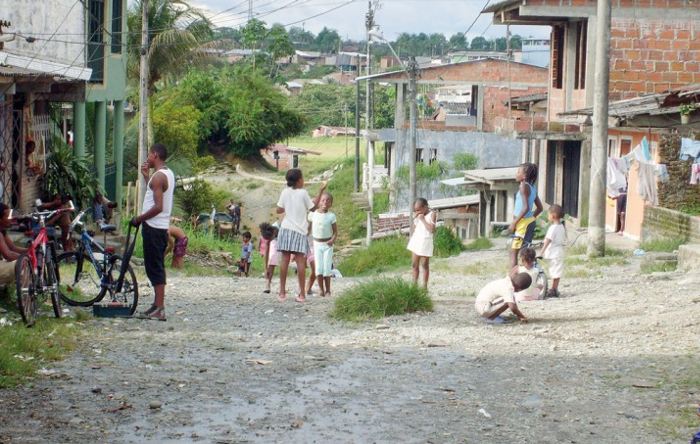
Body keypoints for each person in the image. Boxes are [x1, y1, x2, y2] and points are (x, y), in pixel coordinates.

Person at [131, 143, 175, 321]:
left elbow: (158, 206)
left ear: (155, 155)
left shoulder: (158, 178)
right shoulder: (167, 174)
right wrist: (145, 177)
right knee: (155, 266)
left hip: (153, 227)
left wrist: (139, 219)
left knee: (154, 268)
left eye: (149, 155)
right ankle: (157, 305)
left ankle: (159, 308)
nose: (147, 158)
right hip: (161, 227)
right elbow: (156, 193)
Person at [276, 168, 326, 303]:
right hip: (299, 231)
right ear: (298, 181)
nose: (304, 180)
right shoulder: (303, 193)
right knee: (300, 262)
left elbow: (278, 209)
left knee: (285, 260)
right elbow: (313, 207)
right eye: (302, 178)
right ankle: (302, 294)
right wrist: (321, 191)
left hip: (286, 229)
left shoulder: (285, 192)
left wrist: (287, 205)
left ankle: (282, 293)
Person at [509, 162, 543, 268]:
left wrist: (514, 223)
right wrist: (531, 218)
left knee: (514, 252)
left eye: (518, 171)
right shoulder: (532, 187)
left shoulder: (523, 186)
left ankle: (513, 278)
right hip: (527, 222)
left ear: (524, 176)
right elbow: (540, 208)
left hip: (522, 224)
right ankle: (529, 272)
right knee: (524, 251)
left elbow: (525, 208)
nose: (516, 173)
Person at [308, 192, 338, 297]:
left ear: (331, 203)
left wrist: (332, 240)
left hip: (328, 245)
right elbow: (308, 229)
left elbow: (335, 232)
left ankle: (328, 290)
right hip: (316, 244)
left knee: (327, 269)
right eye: (323, 200)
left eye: (328, 200)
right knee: (318, 268)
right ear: (319, 202)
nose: (325, 202)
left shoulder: (331, 216)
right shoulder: (313, 214)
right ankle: (321, 290)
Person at [406, 197, 437, 289]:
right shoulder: (418, 214)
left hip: (425, 242)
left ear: (425, 207)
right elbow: (415, 227)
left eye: (419, 209)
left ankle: (424, 287)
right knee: (414, 264)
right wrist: (415, 218)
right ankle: (414, 286)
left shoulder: (432, 214)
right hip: (416, 240)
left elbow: (432, 230)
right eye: (415, 210)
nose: (417, 212)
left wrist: (423, 219)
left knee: (424, 265)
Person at [539, 204, 566, 298]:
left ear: (553, 215)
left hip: (553, 253)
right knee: (556, 271)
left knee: (554, 271)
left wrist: (541, 252)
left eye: (548, 214)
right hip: (559, 252)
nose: (548, 216)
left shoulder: (552, 228)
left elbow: (548, 241)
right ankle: (554, 288)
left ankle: (553, 290)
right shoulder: (561, 226)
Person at [0, 202, 26, 283]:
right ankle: (26, 294)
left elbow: (13, 248)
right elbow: (8, 255)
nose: (11, 218)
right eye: (8, 216)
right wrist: (27, 257)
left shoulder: (2, 231)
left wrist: (31, 250)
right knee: (24, 263)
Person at [264, 226, 279, 294]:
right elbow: (266, 252)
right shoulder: (269, 240)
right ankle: (267, 284)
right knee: (269, 268)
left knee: (271, 269)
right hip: (272, 255)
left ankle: (280, 287)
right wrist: (265, 266)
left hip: (277, 254)